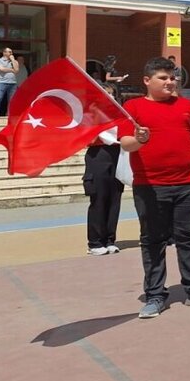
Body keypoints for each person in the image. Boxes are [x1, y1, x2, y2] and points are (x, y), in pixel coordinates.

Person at [118, 56, 190, 319]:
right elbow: (126, 143)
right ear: (147, 80)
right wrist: (139, 140)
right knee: (152, 241)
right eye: (163, 78)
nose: (169, 82)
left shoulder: (187, 107)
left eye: (172, 77)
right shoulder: (133, 107)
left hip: (187, 184)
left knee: (188, 237)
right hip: (150, 186)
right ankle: (154, 295)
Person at [84, 88, 125, 256]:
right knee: (99, 199)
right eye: (105, 94)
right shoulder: (90, 115)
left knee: (114, 199)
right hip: (98, 155)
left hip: (117, 155)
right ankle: (95, 242)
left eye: (111, 94)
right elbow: (87, 136)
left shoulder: (121, 115)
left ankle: (109, 240)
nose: (109, 97)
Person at [0, 47, 20, 117]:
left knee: (11, 100)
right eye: (9, 52)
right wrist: (12, 70)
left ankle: (9, 114)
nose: (11, 53)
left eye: (11, 52)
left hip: (13, 83)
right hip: (1, 82)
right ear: (4, 53)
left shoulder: (14, 61)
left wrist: (13, 60)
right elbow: (1, 69)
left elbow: (17, 70)